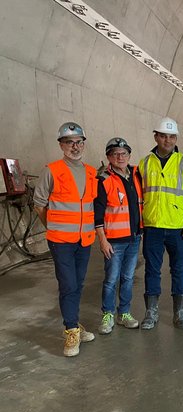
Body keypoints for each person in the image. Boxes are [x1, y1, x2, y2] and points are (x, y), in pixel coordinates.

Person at [33, 122, 96, 357]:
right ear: (61, 145)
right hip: (61, 240)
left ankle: (74, 322)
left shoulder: (90, 172)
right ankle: (70, 330)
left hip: (84, 239)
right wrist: (52, 227)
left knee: (78, 284)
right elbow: (39, 204)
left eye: (79, 142)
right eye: (70, 142)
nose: (75, 146)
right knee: (68, 284)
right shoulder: (52, 170)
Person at [138, 117, 183, 330]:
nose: (167, 140)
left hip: (177, 227)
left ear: (176, 139)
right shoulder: (144, 163)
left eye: (171, 136)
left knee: (178, 269)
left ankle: (179, 312)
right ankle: (151, 312)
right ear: (156, 136)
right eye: (163, 136)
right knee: (152, 270)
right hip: (153, 225)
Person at [94, 137, 142, 335]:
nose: (120, 157)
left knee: (128, 277)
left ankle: (124, 313)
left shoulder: (137, 175)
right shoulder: (104, 180)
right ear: (108, 157)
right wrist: (102, 240)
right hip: (114, 241)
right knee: (111, 279)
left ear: (129, 155)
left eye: (123, 153)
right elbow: (97, 214)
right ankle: (108, 314)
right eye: (115, 154)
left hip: (134, 237)